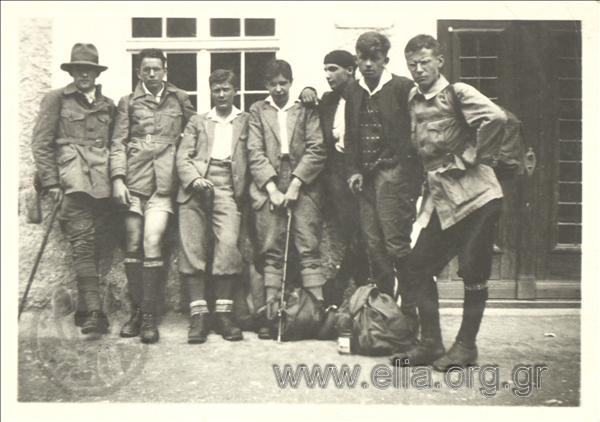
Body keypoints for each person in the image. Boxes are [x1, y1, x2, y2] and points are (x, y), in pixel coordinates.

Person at [393, 34, 506, 369]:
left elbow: (496, 118)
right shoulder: (414, 97)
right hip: (443, 199)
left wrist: (471, 154)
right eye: (412, 64)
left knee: (473, 271)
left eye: (425, 62)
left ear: (439, 60)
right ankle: (430, 343)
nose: (418, 69)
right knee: (417, 266)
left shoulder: (459, 92)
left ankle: (465, 347)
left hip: (477, 197)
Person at [110, 48, 195, 344]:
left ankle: (150, 315)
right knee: (133, 241)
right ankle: (137, 311)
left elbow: (196, 131)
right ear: (139, 72)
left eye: (156, 69)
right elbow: (118, 143)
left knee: (152, 239)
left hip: (164, 182)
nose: (151, 74)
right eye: (146, 70)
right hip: (134, 180)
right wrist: (118, 179)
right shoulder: (128, 102)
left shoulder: (179, 98)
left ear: (165, 70)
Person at [31, 43, 116, 335]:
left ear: (96, 73)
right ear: (72, 72)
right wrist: (52, 182)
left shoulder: (108, 105)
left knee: (98, 247)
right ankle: (95, 312)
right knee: (82, 245)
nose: (84, 75)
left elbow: (115, 145)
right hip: (72, 183)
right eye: (79, 69)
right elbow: (41, 144)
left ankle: (83, 307)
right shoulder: (56, 99)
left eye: (89, 70)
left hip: (104, 188)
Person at [247, 59, 327, 339]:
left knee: (308, 245)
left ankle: (314, 313)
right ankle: (271, 315)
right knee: (272, 247)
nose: (279, 88)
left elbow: (317, 148)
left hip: (304, 182)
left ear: (291, 83)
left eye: (283, 83)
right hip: (269, 181)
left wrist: (295, 185)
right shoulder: (258, 110)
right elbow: (254, 151)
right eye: (273, 84)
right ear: (266, 86)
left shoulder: (305, 109)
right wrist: (272, 188)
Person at [344, 32, 423, 313]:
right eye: (362, 58)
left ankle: (412, 309)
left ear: (385, 60)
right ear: (356, 59)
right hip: (365, 180)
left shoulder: (403, 88)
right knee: (374, 246)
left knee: (396, 244)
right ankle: (387, 309)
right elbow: (351, 135)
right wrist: (353, 169)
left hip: (395, 176)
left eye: (373, 59)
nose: (368, 65)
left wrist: (404, 172)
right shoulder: (353, 90)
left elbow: (416, 133)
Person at [176, 69, 249, 344]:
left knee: (228, 243)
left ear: (235, 91)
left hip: (228, 185)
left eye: (226, 89)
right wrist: (194, 179)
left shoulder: (245, 121)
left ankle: (223, 313)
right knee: (192, 245)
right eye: (216, 90)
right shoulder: (198, 121)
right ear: (210, 92)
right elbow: (182, 156)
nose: (221, 95)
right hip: (194, 185)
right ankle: (199, 315)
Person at [299, 50, 369, 306]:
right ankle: (362, 300)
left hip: (363, 175)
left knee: (362, 236)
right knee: (353, 235)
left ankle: (339, 287)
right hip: (335, 178)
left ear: (350, 70)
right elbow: (311, 110)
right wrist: (306, 89)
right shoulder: (328, 100)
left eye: (333, 69)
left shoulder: (365, 97)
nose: (327, 75)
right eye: (325, 69)